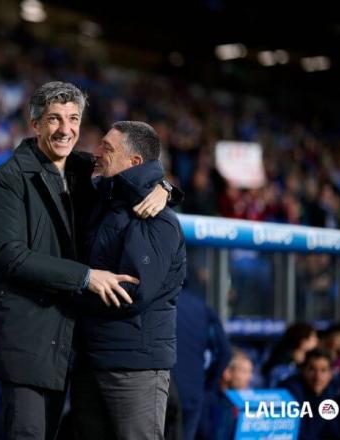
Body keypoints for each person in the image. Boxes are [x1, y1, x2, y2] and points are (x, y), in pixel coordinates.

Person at [0, 82, 175, 439]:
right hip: (26, 340)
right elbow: (11, 256)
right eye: (54, 119)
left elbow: (136, 172)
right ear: (36, 124)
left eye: (73, 119)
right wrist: (87, 277)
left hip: (67, 340)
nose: (65, 129)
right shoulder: (6, 181)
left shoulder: (83, 169)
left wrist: (164, 190)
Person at [71, 121, 186, 440]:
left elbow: (130, 291)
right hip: (91, 359)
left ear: (134, 162)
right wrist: (166, 186)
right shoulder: (102, 201)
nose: (98, 152)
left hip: (133, 367)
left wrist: (74, 285)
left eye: (108, 148)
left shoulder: (157, 218)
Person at [169, 289, 232, 440]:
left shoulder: (156, 300)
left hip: (162, 388)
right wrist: (208, 383)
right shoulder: (201, 306)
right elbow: (224, 351)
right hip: (193, 391)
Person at [280, 348, 340, 440]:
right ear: (302, 371)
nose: (317, 377)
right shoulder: (291, 391)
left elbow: (333, 431)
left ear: (331, 374)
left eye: (323, 370)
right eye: (312, 370)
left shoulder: (330, 391)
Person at [197, 349, 253, 439]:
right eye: (244, 371)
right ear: (227, 373)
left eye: (250, 372)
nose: (249, 377)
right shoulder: (206, 403)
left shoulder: (246, 403)